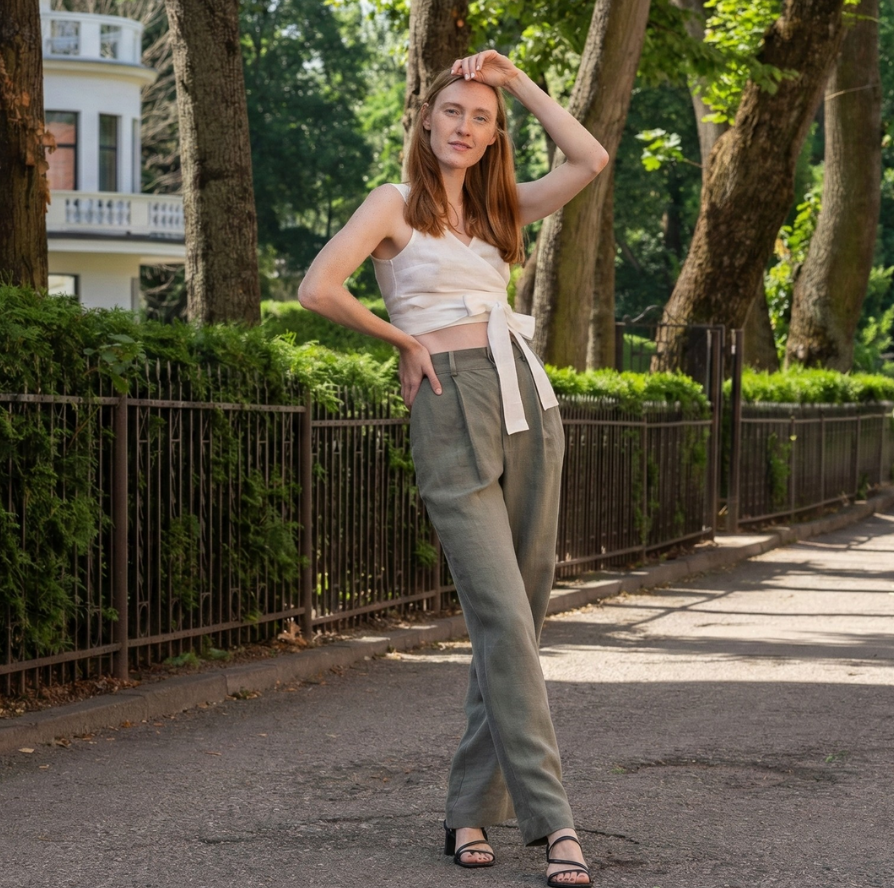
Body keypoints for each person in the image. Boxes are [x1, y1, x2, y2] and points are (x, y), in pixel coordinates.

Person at [297, 49, 607, 887]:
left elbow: (591, 159)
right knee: (503, 619)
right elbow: (318, 287)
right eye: (454, 113)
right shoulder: (394, 204)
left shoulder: (502, 208)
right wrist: (401, 340)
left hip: (527, 400)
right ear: (426, 122)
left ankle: (468, 808)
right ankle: (555, 825)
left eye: (482, 117)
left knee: (520, 620)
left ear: (493, 134)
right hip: (448, 397)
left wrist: (518, 83)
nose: (466, 127)